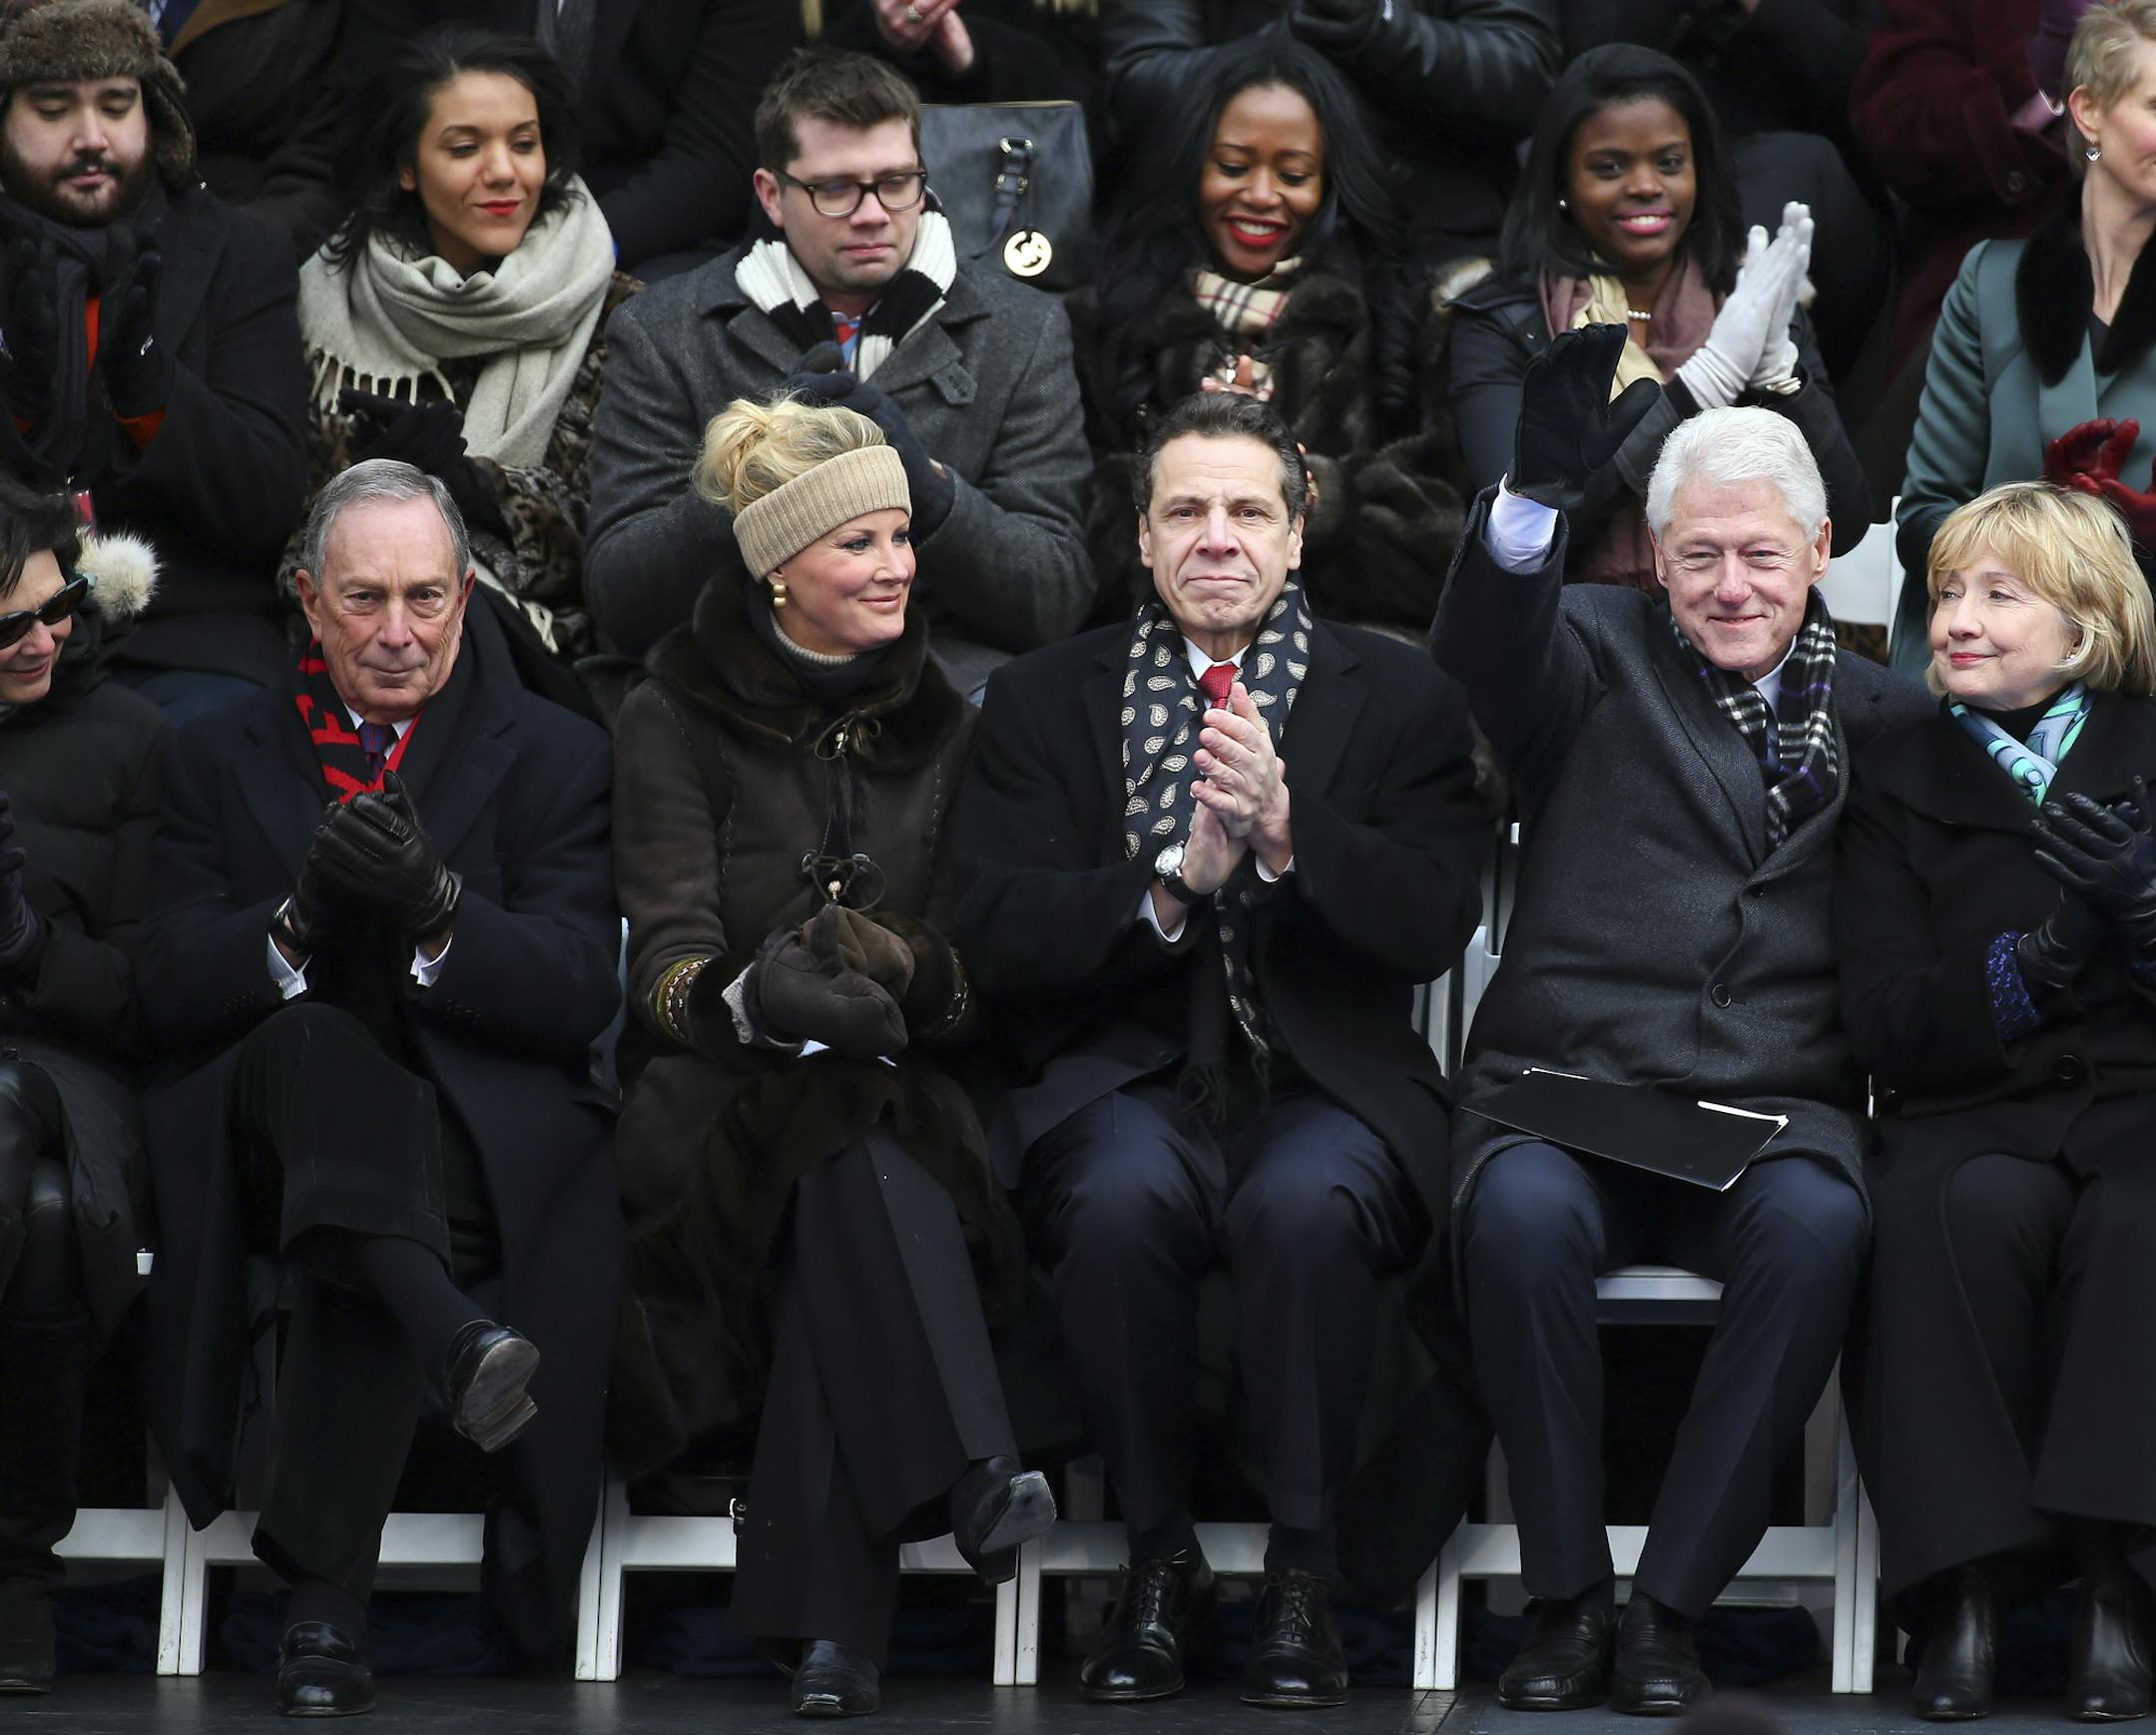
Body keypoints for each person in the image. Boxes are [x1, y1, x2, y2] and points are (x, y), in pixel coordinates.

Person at [953, 391, 1486, 1708]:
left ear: (1297, 536)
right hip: (1125, 1069)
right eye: (1185, 510)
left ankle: (1304, 1569)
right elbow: (994, 925)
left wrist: (1292, 839)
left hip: (1326, 1077)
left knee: (1307, 1203)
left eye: (1249, 510)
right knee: (1122, 1200)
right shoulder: (1040, 697)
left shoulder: (1404, 693)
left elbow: (1431, 919)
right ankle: (1155, 1555)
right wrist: (1171, 884)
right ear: (1141, 538)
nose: (1217, 537)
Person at [1429, 326, 1928, 1714]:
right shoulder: (1589, 649)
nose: (1729, 584)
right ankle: (1566, 1598)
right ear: (1654, 557)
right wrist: (1531, 498)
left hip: (1772, 1108)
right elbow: (1482, 656)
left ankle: (1670, 1611)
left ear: (1821, 547)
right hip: (1567, 1089)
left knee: (1825, 1223)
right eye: (1698, 553)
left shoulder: (1885, 717)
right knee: (1518, 1223)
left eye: (1761, 554)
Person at [137, 460, 620, 1715]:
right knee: (322, 1069)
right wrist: (293, 926)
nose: (397, 632)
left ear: (467, 596)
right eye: (364, 600)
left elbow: (578, 989)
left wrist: (438, 908)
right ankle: (457, 1339)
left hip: (465, 1142)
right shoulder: (208, 749)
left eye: (424, 598)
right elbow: (160, 980)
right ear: (307, 600)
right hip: (256, 1120)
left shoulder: (558, 752)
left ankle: (320, 1613)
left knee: (361, 1203)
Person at [606, 394, 1053, 1718]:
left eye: (905, 537)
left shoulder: (952, 720)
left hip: (900, 1094)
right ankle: (970, 1464)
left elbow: (981, 975)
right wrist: (760, 993)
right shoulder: (667, 714)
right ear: (777, 568)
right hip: (712, 1100)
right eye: (859, 543)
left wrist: (902, 968)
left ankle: (832, 1637)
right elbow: (663, 972)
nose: (899, 568)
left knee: (850, 1155)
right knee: (835, 1139)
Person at [1839, 482, 2156, 1722]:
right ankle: (1961, 1594)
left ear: (2083, 624)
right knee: (1945, 1211)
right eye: (1944, 593)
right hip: (1972, 1103)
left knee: (2141, 1221)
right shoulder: (1894, 770)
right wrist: (2035, 966)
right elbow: (1882, 1018)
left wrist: (2140, 921)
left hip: (2141, 1105)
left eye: (1996, 594)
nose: (1955, 619)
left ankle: (2120, 1594)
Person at [585, 47, 1091, 696]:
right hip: (733, 683)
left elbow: (1055, 599)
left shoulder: (1023, 328)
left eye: (897, 181)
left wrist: (931, 490)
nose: (874, 213)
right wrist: (753, 481)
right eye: (836, 189)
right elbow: (621, 605)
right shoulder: (664, 329)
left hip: (945, 685)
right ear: (772, 194)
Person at [1071, 36, 1467, 631]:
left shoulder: (1399, 317)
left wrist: (1315, 495)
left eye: (1293, 174)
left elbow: (1450, 544)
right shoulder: (1107, 317)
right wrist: (1187, 468)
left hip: (1354, 657)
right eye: (1232, 167)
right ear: (1189, 165)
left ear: (1330, 181)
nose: (1260, 195)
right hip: (1147, 658)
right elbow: (1063, 544)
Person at [1447, 45, 1870, 595]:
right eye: (1610, 167)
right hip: (1566, 639)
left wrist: (1780, 381)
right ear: (1561, 185)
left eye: (1669, 162)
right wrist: (1703, 382)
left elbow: (1848, 522)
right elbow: (1519, 535)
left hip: (1738, 619)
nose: (1645, 184)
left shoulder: (1752, 302)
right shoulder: (1500, 321)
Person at [288, 25, 638, 671]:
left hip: (547, 650)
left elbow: (618, 530)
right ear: (406, 167)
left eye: (524, 144)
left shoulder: (621, 313)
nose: (503, 171)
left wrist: (475, 486)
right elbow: (291, 535)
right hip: (353, 639)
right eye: (464, 147)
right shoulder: (329, 299)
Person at [0, 0, 308, 720]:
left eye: (116, 104)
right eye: (52, 107)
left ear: (156, 116)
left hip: (186, 642)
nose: (90, 138)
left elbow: (267, 503)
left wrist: (150, 390)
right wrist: (19, 406)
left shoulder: (237, 252)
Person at [0, 482, 163, 1695]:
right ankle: (18, 1581)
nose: (44, 639)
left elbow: (152, 988)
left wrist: (24, 946)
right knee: (40, 1218)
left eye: (57, 609)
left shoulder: (133, 738)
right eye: (8, 628)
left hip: (75, 1068)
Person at [1899, 0, 2156, 664]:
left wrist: (2143, 546)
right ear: (2089, 110)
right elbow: (1925, 517)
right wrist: (2042, 537)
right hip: (1983, 678)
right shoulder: (1991, 284)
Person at [1557, 0, 1895, 398]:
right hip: (1650, 154)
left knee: (1792, 170)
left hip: (1809, 187)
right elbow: (1587, 77)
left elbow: (1871, 96)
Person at [336, 0, 802, 280]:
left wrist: (572, 250)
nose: (503, 170)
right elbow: (372, 109)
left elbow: (717, 157)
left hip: (653, 241)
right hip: (433, 226)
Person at [1100, 0, 1558, 269]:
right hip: (1212, 258)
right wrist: (1282, 44)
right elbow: (1137, 83)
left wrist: (1379, 24)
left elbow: (1526, 73)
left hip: (1433, 253)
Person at [160, 0, 350, 263]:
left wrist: (228, 245)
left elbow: (320, 169)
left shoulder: (319, 19)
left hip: (225, 238)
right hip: (101, 217)